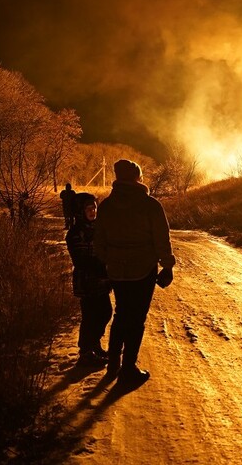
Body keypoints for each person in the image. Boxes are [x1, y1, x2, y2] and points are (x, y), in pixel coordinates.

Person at [95, 159, 176, 385]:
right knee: (137, 318)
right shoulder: (150, 205)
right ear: (137, 177)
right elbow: (162, 239)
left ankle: (113, 363)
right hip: (143, 269)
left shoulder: (106, 206)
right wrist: (167, 266)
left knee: (121, 314)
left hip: (117, 271)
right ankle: (128, 368)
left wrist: (109, 261)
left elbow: (98, 243)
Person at [66, 192, 112, 367]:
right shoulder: (76, 233)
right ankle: (86, 351)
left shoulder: (98, 228)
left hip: (101, 280)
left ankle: (94, 345)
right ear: (80, 211)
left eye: (94, 207)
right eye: (88, 208)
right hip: (87, 280)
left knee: (105, 311)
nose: (93, 211)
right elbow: (79, 259)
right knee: (90, 316)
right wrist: (100, 264)